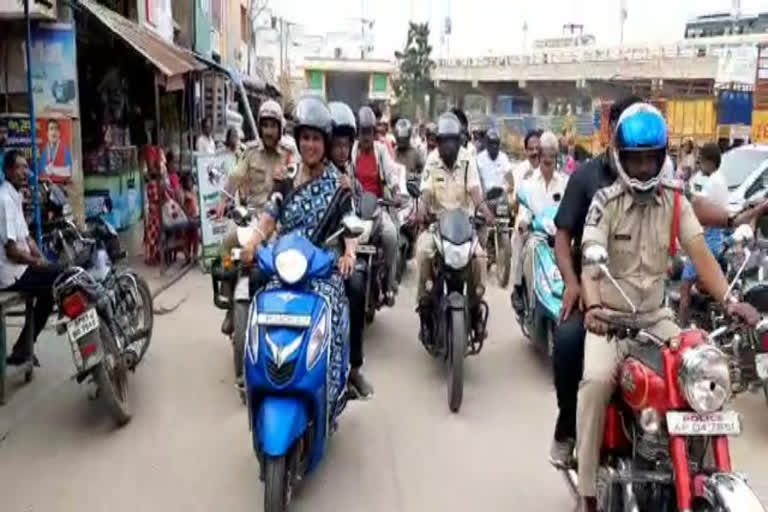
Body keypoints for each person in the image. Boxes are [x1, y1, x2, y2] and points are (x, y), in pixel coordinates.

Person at [575, 103, 759, 512]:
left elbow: (700, 252)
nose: (642, 167)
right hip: (611, 318)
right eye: (635, 158)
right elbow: (591, 259)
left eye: (650, 158)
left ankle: (700, 470)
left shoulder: (676, 202)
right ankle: (587, 492)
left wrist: (731, 299)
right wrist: (593, 306)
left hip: (657, 319)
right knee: (595, 383)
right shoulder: (605, 203)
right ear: (621, 158)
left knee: (703, 374)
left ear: (661, 158)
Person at [239, 96, 373, 398]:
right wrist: (253, 242)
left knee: (355, 282)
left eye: (316, 139)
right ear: (298, 141)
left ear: (325, 143)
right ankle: (254, 364)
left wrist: (349, 253)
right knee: (256, 279)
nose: (310, 145)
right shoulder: (285, 178)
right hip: (287, 261)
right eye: (305, 138)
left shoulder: (338, 183)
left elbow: (348, 218)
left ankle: (351, 369)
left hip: (323, 263)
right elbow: (270, 217)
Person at [416, 112, 494, 341]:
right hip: (438, 224)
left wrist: (485, 211)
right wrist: (420, 211)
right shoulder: (431, 160)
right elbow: (425, 192)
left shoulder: (468, 158)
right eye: (443, 141)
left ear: (459, 141)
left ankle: (476, 308)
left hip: (464, 225)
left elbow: (475, 191)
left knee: (479, 257)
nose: (447, 146)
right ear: (437, 142)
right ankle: (425, 308)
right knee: (422, 252)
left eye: (452, 140)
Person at [1, 150, 63, 366]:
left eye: (25, 167)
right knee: (61, 279)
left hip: (20, 267)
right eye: (18, 167)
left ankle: (23, 348)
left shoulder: (15, 196)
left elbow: (27, 238)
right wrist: (36, 262)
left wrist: (42, 258)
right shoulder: (4, 200)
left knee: (55, 281)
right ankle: (23, 347)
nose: (24, 172)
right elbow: (12, 251)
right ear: (8, 171)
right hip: (11, 273)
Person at [511, 131, 569, 313]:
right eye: (545, 160)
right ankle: (520, 288)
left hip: (558, 235)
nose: (548, 165)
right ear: (540, 156)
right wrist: (523, 222)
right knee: (521, 241)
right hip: (536, 236)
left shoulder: (565, 183)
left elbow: (571, 208)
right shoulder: (528, 184)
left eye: (553, 159)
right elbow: (525, 210)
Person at [351, 105, 402, 306]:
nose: (366, 136)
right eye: (362, 132)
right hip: (354, 210)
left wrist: (396, 191)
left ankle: (389, 285)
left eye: (369, 132)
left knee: (391, 235)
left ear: (374, 133)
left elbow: (391, 173)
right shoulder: (351, 152)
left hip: (377, 208)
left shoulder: (380, 151)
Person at [217, 100, 289, 215]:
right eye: (265, 126)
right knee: (231, 233)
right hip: (254, 216)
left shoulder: (289, 154)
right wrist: (223, 201)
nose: (268, 132)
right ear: (260, 128)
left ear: (280, 128)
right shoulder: (250, 152)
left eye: (273, 126)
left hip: (279, 218)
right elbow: (236, 176)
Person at [143, 147, 163, 265]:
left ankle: (153, 255)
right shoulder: (153, 183)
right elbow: (155, 199)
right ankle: (150, 256)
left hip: (154, 209)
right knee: (152, 234)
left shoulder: (155, 183)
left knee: (154, 233)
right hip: (154, 210)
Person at [476, 129, 512, 193]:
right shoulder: (479, 158)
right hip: (485, 197)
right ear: (486, 144)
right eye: (491, 144)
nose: (494, 147)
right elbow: (476, 181)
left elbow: (510, 182)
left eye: (496, 144)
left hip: (501, 196)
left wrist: (503, 190)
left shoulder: (503, 158)